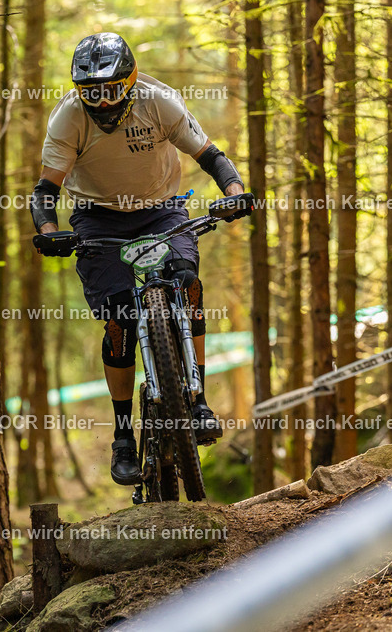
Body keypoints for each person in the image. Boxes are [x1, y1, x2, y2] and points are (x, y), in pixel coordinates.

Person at [29, 33, 245, 486]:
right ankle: (124, 437)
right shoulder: (68, 118)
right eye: (90, 93)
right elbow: (46, 189)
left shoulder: (159, 102)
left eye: (111, 90)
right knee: (120, 318)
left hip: (161, 209)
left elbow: (210, 155)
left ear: (129, 83)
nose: (102, 102)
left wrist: (234, 193)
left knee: (187, 282)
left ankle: (198, 402)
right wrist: (48, 232)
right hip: (97, 217)